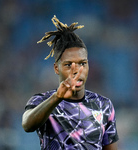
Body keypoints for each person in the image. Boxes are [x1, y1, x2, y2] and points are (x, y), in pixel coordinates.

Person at [22, 15, 119, 150]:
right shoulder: (42, 101)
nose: (76, 70)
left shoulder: (104, 105)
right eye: (68, 65)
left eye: (82, 63)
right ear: (57, 68)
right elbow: (27, 125)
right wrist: (57, 98)